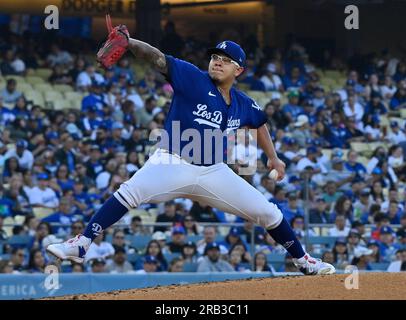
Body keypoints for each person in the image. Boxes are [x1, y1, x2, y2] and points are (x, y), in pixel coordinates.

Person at [47, 16, 334, 275]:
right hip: (172, 161)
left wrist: (273, 158)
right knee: (129, 192)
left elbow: (259, 123)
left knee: (269, 212)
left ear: (239, 70)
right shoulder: (192, 77)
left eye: (225, 59)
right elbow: (158, 58)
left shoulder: (244, 103)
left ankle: (303, 261)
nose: (217, 61)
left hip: (213, 172)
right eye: (215, 57)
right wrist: (130, 42)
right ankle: (82, 244)